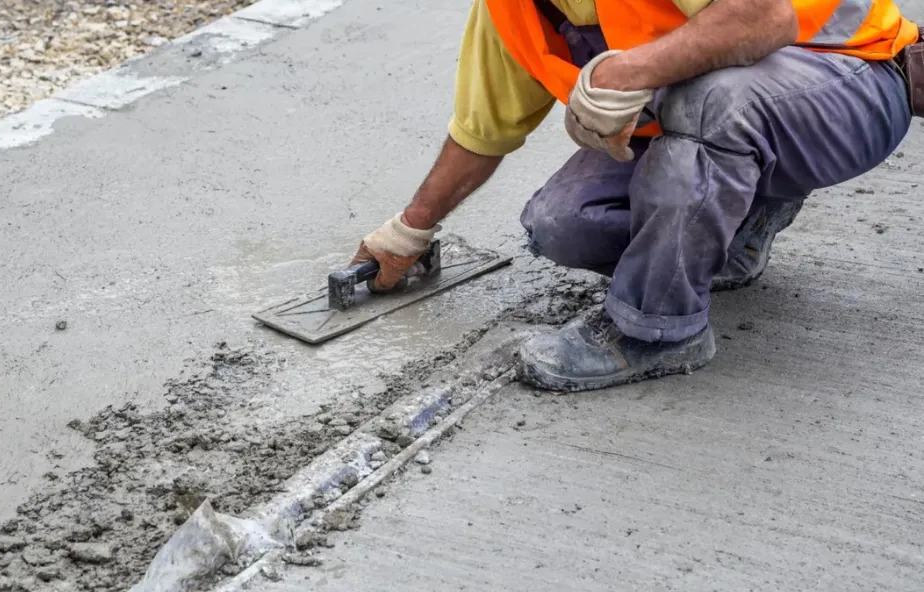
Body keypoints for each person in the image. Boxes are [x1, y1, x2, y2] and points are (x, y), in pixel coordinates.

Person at [350, 0, 918, 392]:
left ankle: (655, 334)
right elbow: (482, 131)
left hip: (851, 82)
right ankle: (748, 217)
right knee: (562, 222)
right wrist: (409, 231)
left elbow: (760, 14)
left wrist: (630, 71)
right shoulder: (511, 10)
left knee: (712, 104)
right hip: (726, 117)